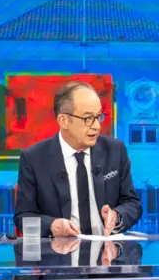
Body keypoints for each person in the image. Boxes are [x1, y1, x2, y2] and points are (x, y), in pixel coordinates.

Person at [14, 81, 142, 237]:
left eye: (98, 117)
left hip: (108, 254)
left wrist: (117, 216)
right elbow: (23, 218)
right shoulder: (34, 158)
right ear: (63, 121)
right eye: (88, 118)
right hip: (59, 255)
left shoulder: (115, 151)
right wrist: (52, 226)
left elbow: (132, 204)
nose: (96, 126)